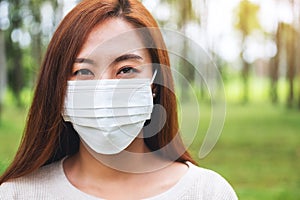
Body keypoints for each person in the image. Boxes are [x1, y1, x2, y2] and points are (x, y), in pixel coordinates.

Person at [0, 0, 238, 199]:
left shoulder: (208, 193)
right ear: (59, 89)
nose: (105, 89)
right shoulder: (18, 194)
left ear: (155, 83)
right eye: (83, 72)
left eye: (125, 69)